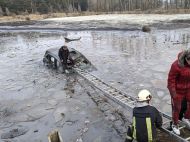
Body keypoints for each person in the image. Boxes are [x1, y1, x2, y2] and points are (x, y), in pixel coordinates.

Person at [167, 48, 190, 135]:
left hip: (188, 89)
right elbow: (170, 81)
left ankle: (186, 118)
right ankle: (174, 124)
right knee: (177, 108)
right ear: (186, 58)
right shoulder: (176, 65)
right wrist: (174, 94)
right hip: (178, 90)